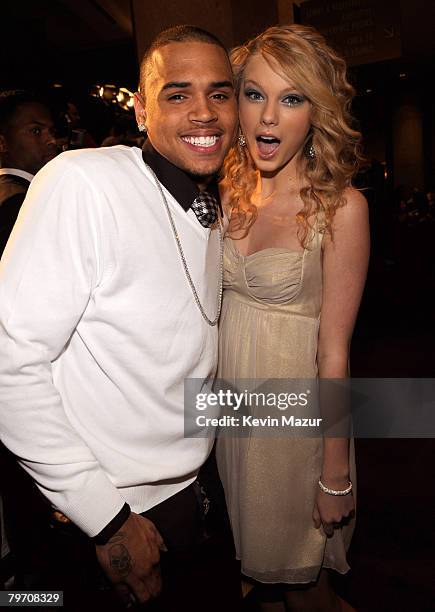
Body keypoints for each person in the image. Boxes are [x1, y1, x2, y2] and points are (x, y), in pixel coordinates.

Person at [0, 25, 239, 611]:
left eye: (221, 93)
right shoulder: (85, 181)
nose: (203, 113)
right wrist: (104, 518)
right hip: (108, 513)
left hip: (197, 494)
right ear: (140, 111)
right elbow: (9, 357)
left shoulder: (212, 206)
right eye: (177, 94)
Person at [217, 25, 369, 611]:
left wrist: (335, 473)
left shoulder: (342, 208)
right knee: (245, 581)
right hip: (228, 412)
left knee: (305, 587)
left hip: (296, 427)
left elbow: (335, 351)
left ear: (318, 111)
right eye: (254, 94)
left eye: (291, 98)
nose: (268, 119)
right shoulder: (227, 190)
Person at [0, 90, 57, 256]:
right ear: (2, 143)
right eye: (36, 131)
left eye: (52, 131)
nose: (52, 141)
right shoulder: (18, 201)